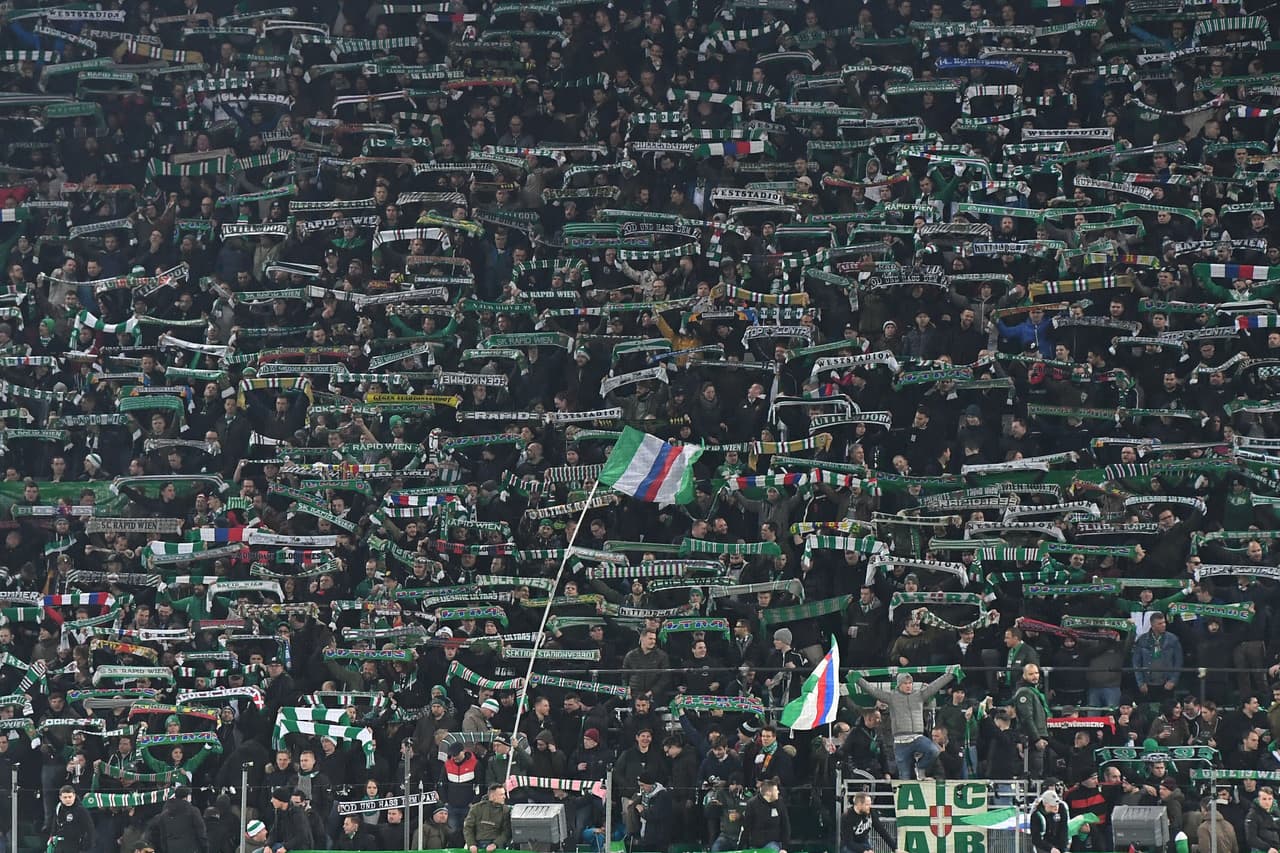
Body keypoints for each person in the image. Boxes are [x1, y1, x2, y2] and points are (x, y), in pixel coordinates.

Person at [854, 670, 955, 779]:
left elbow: (935, 686)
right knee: (904, 776)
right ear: (899, 685)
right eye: (905, 683)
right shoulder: (892, 696)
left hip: (917, 737)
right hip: (900, 742)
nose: (908, 686)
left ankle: (920, 767)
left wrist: (951, 674)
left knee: (934, 750)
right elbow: (873, 690)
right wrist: (858, 679)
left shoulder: (919, 695)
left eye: (910, 683)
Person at [145, 785, 209, 853]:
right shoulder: (193, 811)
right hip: (191, 849)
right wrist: (205, 848)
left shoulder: (164, 814)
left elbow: (163, 837)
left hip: (172, 849)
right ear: (187, 797)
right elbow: (201, 832)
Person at [743, 779, 790, 853]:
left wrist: (784, 848)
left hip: (774, 843)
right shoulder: (752, 804)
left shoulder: (780, 803)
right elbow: (747, 826)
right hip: (755, 845)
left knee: (772, 849)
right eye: (776, 790)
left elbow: (785, 826)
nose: (778, 792)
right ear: (768, 793)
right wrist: (744, 846)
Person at [464, 784, 512, 853]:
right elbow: (468, 828)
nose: (504, 797)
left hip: (497, 846)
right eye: (501, 795)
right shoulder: (476, 808)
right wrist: (471, 844)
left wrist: (496, 844)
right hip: (478, 844)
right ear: (492, 796)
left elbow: (507, 831)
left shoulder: (506, 810)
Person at [265, 786, 314, 853]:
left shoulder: (297, 813)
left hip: (300, 848)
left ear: (281, 800)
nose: (271, 801)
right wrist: (268, 845)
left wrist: (286, 847)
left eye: (274, 798)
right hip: (287, 845)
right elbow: (274, 831)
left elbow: (302, 836)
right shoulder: (279, 812)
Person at [49, 785, 94, 853]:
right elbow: (55, 824)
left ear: (74, 796)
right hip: (59, 843)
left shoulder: (81, 810)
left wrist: (88, 845)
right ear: (60, 798)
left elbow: (90, 828)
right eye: (65, 797)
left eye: (70, 797)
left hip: (74, 844)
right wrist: (52, 836)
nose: (68, 799)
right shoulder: (59, 808)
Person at [1246, 786, 1280, 853]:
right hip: (1260, 850)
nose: (1267, 802)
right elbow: (1251, 838)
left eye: (1270, 799)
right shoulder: (1252, 815)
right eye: (1264, 799)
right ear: (1259, 799)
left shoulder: (1277, 813)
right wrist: (1268, 848)